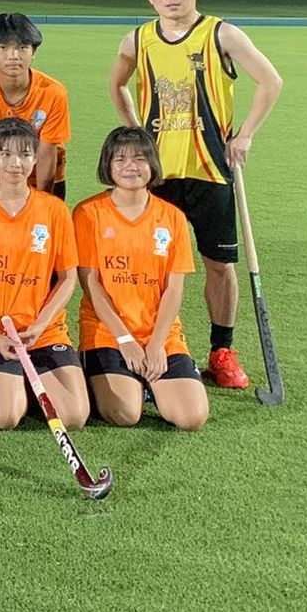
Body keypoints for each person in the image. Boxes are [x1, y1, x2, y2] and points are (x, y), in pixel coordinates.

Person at [108, 0, 284, 391]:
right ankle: (150, 346)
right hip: (157, 176)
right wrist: (135, 131)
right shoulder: (137, 40)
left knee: (219, 265)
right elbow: (117, 85)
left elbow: (271, 81)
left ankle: (222, 352)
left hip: (210, 170)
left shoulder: (222, 35)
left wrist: (245, 135)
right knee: (149, 265)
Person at [0, 117, 87, 430]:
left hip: (44, 332)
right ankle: (14, 382)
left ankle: (24, 379)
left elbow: (68, 277)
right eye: (6, 154)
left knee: (74, 417)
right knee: (6, 417)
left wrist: (40, 326)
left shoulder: (54, 210)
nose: (16, 163)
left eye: (25, 154)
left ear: (35, 157)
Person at [74, 127, 209, 430]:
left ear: (152, 164)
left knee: (191, 418)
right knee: (124, 414)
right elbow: (91, 284)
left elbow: (174, 288)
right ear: (108, 165)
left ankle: (146, 382)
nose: (130, 166)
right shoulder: (88, 213)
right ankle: (116, 381)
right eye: (120, 159)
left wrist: (157, 344)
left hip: (160, 334)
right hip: (108, 333)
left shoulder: (172, 217)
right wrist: (125, 340)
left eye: (139, 158)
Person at [0, 13, 72, 198]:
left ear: (34, 52)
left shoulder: (53, 92)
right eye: (3, 48)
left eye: (22, 47)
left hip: (43, 178)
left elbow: (47, 153)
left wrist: (43, 202)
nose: (13, 56)